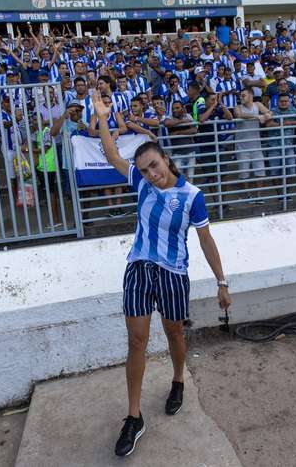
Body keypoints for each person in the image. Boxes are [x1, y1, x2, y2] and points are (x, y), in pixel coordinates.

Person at [91, 92, 231, 458]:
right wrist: (102, 117)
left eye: (154, 165)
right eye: (144, 170)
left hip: (173, 274)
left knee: (173, 333)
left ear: (166, 159)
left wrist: (221, 282)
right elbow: (111, 156)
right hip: (138, 268)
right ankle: (133, 417)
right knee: (136, 340)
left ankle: (178, 379)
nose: (150, 174)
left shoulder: (192, 196)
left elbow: (206, 240)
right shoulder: (140, 185)